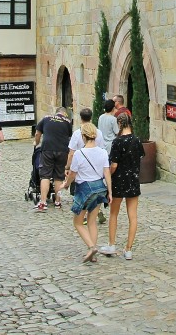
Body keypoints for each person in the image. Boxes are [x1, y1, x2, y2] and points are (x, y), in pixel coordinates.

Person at [57, 122, 112, 263]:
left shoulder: (79, 154)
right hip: (100, 188)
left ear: (83, 137)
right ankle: (92, 253)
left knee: (78, 222)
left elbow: (73, 174)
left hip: (84, 190)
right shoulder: (103, 152)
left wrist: (66, 185)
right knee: (92, 221)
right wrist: (110, 192)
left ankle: (91, 247)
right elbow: (107, 173)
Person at [100, 112, 143, 260]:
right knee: (133, 216)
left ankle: (111, 244)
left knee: (114, 213)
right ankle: (128, 249)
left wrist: (109, 175)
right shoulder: (136, 140)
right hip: (133, 179)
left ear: (119, 124)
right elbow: (140, 157)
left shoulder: (117, 142)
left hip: (119, 180)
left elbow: (114, 165)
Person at [67, 107, 106, 223]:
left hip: (81, 164)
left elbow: (71, 152)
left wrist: (67, 167)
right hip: (96, 165)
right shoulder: (98, 132)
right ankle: (96, 210)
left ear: (81, 118)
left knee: (80, 190)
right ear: (91, 117)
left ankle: (83, 215)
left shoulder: (77, 133)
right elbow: (102, 148)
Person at [33, 107, 73, 212]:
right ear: (64, 114)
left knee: (45, 175)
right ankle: (58, 202)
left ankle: (43, 202)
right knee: (59, 177)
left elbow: (38, 133)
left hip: (48, 149)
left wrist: (36, 143)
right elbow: (69, 137)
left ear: (56, 113)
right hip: (62, 151)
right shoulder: (68, 122)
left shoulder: (46, 118)